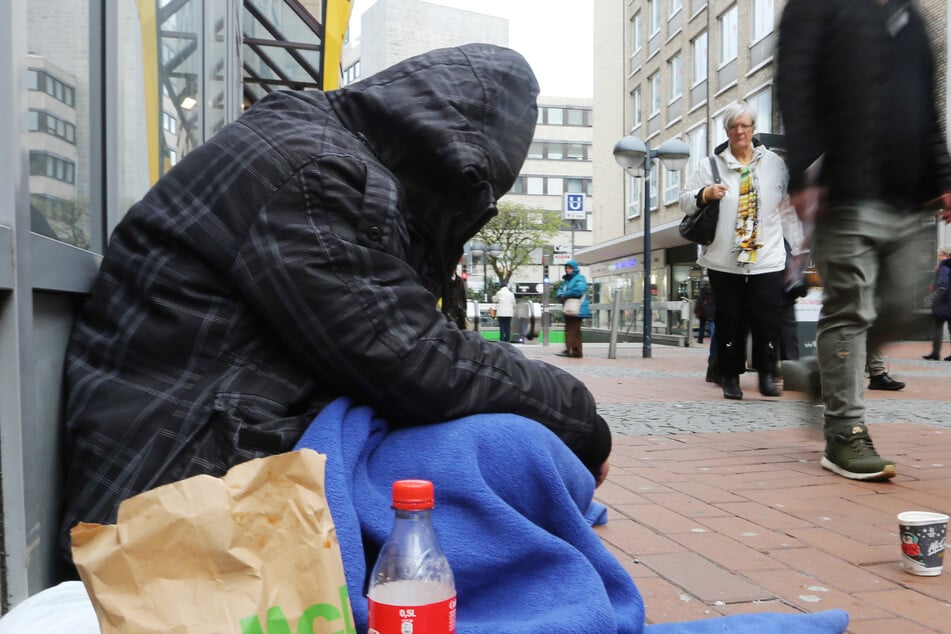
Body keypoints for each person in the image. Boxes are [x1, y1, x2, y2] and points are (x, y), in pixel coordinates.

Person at [58, 44, 612, 564]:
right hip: (164, 498)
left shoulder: (316, 150)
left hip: (200, 456)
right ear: (451, 158)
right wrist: (582, 421)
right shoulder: (315, 170)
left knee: (498, 461)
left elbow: (399, 345)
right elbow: (415, 359)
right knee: (508, 450)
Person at [777, 0, 951, 481]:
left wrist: (942, 175)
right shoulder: (816, 7)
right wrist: (803, 173)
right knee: (850, 307)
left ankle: (820, 374)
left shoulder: (912, 17)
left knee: (902, 307)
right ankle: (845, 433)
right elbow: (794, 87)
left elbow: (927, 105)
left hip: (909, 197)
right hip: (845, 190)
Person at [679, 102, 800, 400]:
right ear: (727, 131)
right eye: (734, 126)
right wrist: (704, 194)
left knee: (768, 321)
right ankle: (730, 376)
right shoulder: (711, 166)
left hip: (767, 258)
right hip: (724, 260)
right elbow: (684, 201)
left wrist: (798, 249)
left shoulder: (774, 164)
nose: (740, 131)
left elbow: (787, 210)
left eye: (745, 125)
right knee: (729, 321)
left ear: (753, 129)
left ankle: (767, 374)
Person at [556, 259, 590, 358]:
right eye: (566, 268)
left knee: (571, 330)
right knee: (575, 331)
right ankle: (576, 351)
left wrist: (565, 294)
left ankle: (569, 350)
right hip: (570, 307)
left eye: (569, 268)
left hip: (577, 308)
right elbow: (559, 291)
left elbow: (579, 290)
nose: (567, 270)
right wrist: (561, 295)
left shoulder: (580, 278)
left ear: (574, 268)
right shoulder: (566, 281)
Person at [923, 245, 951, 360]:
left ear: (946, 255)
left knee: (938, 327)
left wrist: (935, 299)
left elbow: (943, 286)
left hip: (944, 302)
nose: (939, 256)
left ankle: (935, 353)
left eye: (940, 254)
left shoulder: (944, 265)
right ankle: (935, 352)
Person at [695, 278, 715, 344]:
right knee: (712, 324)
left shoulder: (703, 289)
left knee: (702, 325)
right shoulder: (715, 289)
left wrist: (696, 309)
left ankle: (700, 339)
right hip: (712, 308)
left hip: (704, 309)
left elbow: (700, 300)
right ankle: (713, 339)